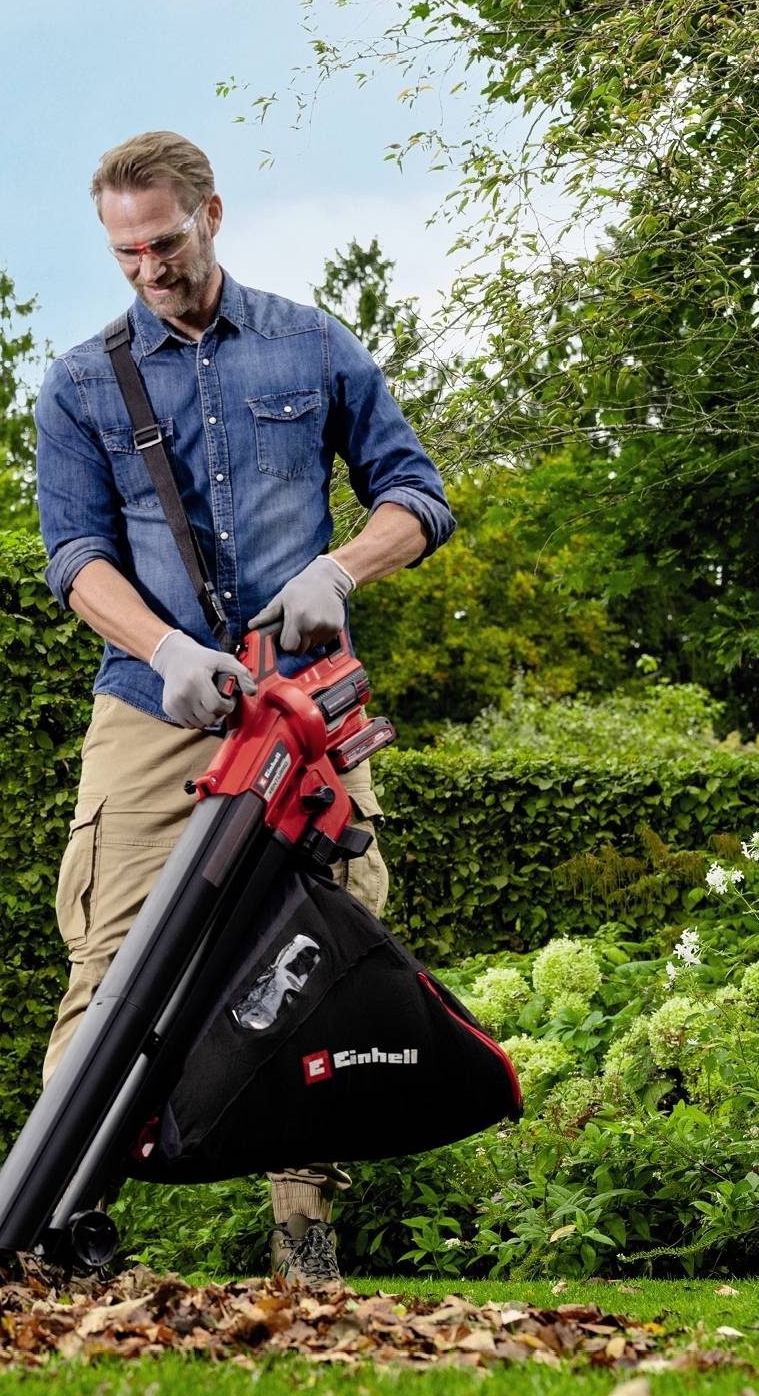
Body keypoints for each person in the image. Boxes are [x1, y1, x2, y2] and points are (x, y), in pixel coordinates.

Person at [33, 131, 456, 1289]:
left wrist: (342, 572)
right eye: (124, 253)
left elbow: (414, 494)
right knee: (110, 960)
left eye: (163, 242)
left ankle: (307, 1260)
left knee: (318, 959)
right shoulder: (79, 382)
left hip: (303, 705)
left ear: (211, 213)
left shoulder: (311, 345)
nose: (147, 270)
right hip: (150, 707)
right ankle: (51, 1234)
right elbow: (73, 557)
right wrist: (163, 644)